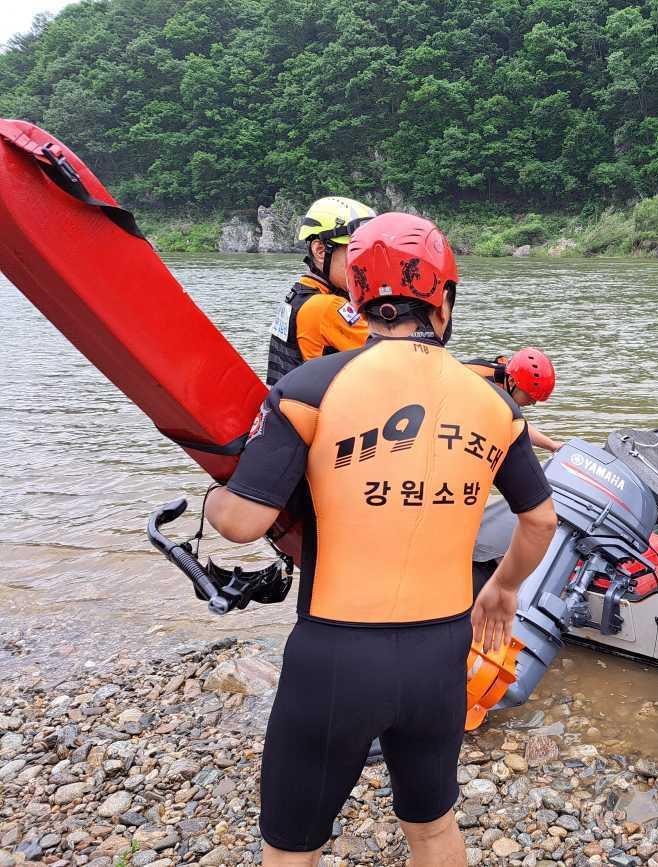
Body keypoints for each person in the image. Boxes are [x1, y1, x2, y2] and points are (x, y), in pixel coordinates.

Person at [206, 212, 557, 867]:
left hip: (335, 656)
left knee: (291, 846)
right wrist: (503, 589)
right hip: (441, 653)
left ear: (358, 298)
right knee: (431, 825)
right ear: (444, 301)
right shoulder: (496, 406)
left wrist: (213, 499)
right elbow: (540, 522)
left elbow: (244, 520)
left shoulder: (309, 388)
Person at [265, 196, 377, 385]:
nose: (365, 264)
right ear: (320, 250)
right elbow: (392, 356)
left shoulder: (299, 294)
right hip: (321, 411)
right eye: (356, 252)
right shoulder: (327, 307)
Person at [464, 348, 563, 451]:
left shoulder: (509, 382)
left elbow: (518, 424)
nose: (533, 403)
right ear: (511, 381)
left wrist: (553, 446)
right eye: (529, 397)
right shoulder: (485, 389)